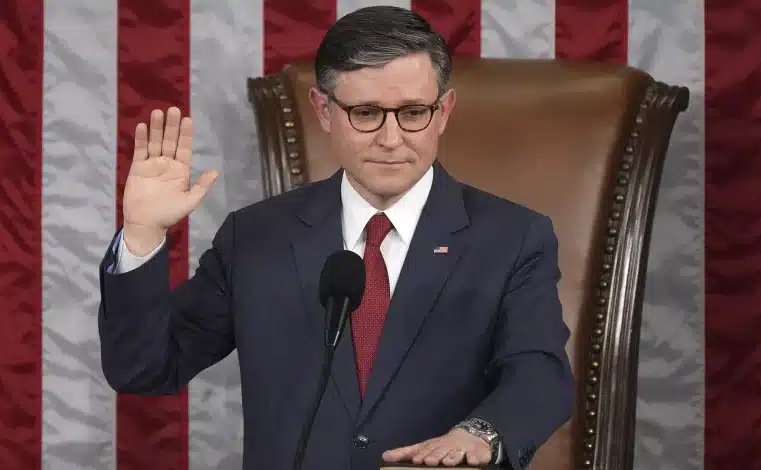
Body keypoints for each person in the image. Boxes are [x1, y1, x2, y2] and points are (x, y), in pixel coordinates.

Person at [98, 5, 574, 470]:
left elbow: (540, 374)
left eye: (413, 112)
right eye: (366, 113)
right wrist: (142, 235)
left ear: (444, 111)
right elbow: (145, 369)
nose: (391, 138)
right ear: (324, 111)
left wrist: (481, 434)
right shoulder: (256, 237)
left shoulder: (512, 238)